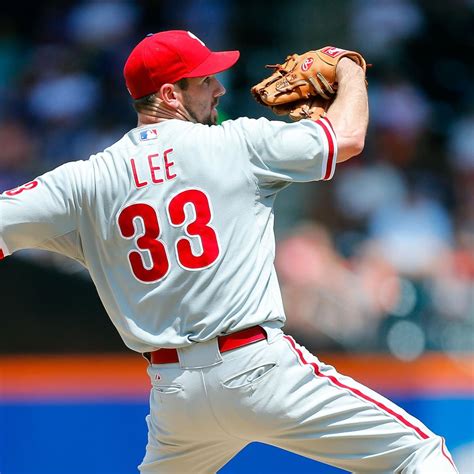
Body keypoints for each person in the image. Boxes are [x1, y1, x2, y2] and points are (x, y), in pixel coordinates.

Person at [0, 29, 458, 474]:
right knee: (417, 455)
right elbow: (348, 136)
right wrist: (350, 68)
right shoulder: (235, 143)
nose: (219, 88)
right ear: (170, 94)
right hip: (258, 368)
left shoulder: (85, 180)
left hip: (175, 397)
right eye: (204, 80)